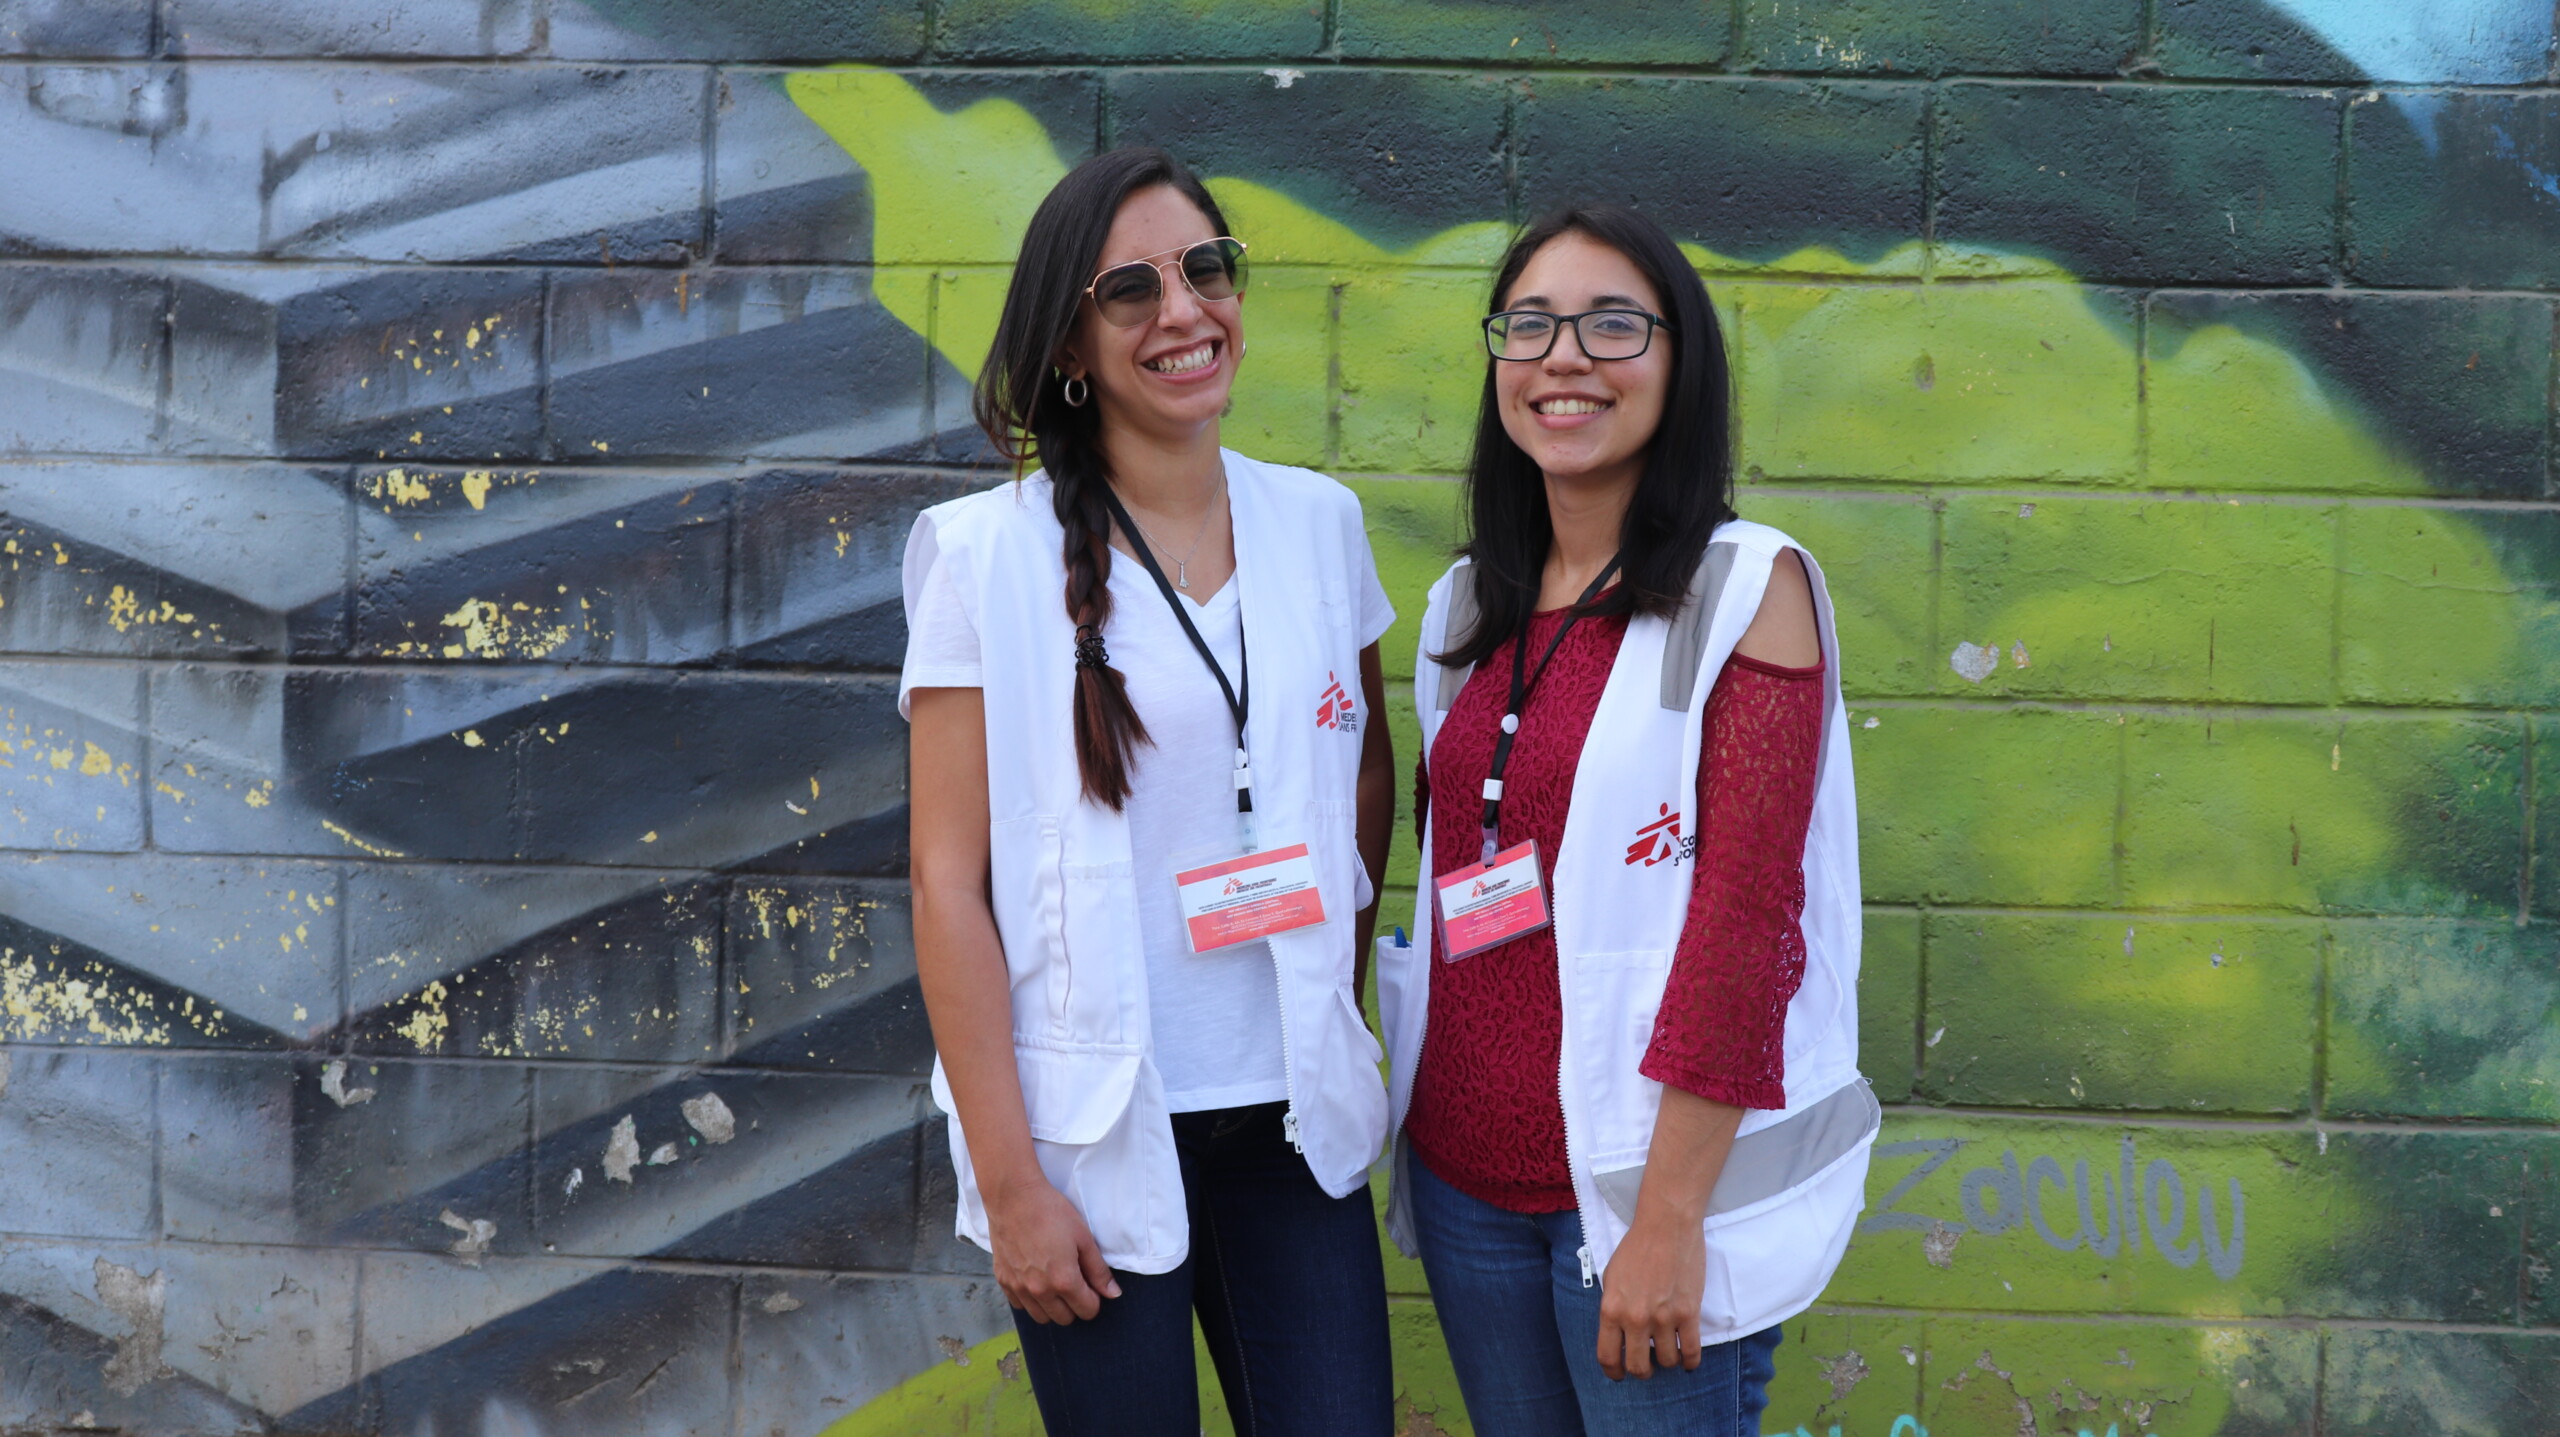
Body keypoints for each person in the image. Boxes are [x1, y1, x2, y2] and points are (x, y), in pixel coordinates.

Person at [901, 146, 1399, 1436]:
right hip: (1093, 1136)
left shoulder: (1320, 525)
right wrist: (1010, 1185)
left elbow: (1363, 773)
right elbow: (947, 886)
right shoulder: (982, 558)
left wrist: (1331, 1001)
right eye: (1131, 290)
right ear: (1071, 340)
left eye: (1207, 270)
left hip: (1293, 1124)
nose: (1184, 311)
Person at [1375, 204, 1877, 1437]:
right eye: (1531, 324)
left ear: (1678, 362)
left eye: (1612, 324)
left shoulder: (1747, 589)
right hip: (1463, 1190)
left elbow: (1743, 928)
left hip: (1636, 1204)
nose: (1564, 357)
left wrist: (1665, 1224)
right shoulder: (1463, 607)